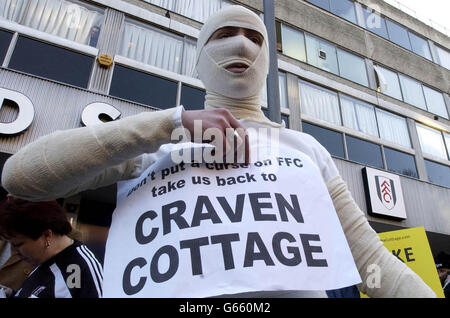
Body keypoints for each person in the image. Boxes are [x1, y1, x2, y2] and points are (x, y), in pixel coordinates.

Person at [1, 5, 435, 298]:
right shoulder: (157, 144)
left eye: (254, 38)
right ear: (199, 57)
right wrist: (169, 125)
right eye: (224, 35)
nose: (242, 46)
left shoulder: (306, 148)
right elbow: (22, 176)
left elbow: (374, 263)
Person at [0, 197, 102, 298]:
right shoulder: (45, 261)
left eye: (18, 244)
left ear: (47, 235)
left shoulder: (81, 269)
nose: (14, 252)